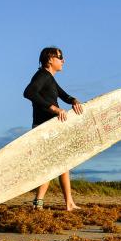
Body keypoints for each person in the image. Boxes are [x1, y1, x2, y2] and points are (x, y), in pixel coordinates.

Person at [23, 47, 84, 211]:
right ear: (50, 59)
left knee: (62, 163)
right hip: (44, 127)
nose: (63, 60)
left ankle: (68, 202)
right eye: (60, 57)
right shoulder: (42, 75)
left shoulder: (49, 78)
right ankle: (40, 201)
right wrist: (54, 109)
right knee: (52, 165)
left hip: (52, 127)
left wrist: (74, 100)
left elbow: (63, 95)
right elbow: (29, 93)